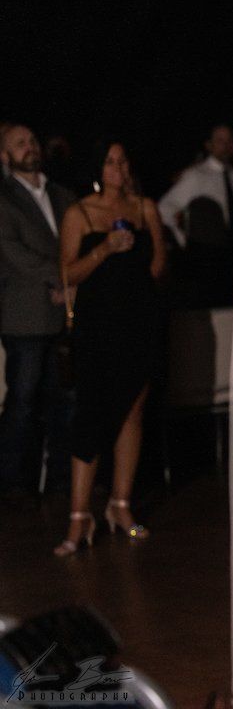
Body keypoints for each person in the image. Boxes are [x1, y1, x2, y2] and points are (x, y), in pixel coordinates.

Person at [52, 141, 166, 555]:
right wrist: (104, 249)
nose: (119, 167)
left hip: (140, 323)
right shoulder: (79, 213)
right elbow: (67, 274)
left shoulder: (145, 208)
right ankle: (79, 516)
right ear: (98, 167)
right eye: (110, 161)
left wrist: (141, 260)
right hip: (98, 328)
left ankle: (120, 505)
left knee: (133, 409)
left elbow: (159, 265)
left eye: (123, 160)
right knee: (92, 413)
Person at [0, 124, 76, 503]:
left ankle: (62, 478)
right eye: (19, 143)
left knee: (63, 401)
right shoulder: (4, 199)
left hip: (63, 313)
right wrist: (63, 277)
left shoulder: (62, 194)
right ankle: (14, 480)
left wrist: (74, 281)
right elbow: (13, 253)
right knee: (23, 401)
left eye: (31, 139)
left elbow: (78, 240)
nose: (28, 146)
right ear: (4, 155)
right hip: (25, 316)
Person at [157, 123, 233, 306]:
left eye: (229, 141)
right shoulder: (196, 175)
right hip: (205, 259)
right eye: (220, 141)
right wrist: (183, 240)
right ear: (209, 145)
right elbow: (164, 209)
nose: (225, 146)